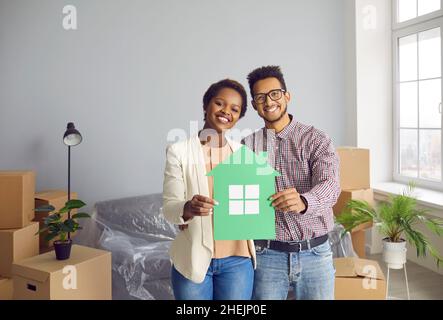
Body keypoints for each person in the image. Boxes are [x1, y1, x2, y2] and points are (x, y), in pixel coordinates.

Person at [242, 65, 340, 300]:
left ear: (287, 96)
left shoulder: (316, 139)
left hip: (315, 254)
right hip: (267, 256)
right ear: (255, 105)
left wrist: (305, 201)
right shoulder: (246, 146)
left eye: (275, 93)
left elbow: (331, 184)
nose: (269, 101)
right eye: (260, 97)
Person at [162, 79, 255, 300]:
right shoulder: (179, 151)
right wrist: (188, 208)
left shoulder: (244, 155)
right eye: (219, 103)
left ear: (239, 118)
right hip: (194, 257)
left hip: (238, 260)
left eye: (235, 109)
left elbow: (251, 205)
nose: (226, 112)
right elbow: (169, 208)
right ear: (206, 105)